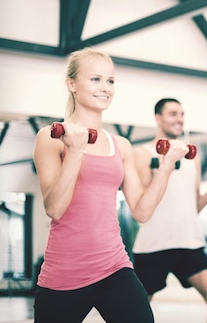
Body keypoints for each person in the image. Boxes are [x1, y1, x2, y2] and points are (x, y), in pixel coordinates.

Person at [32, 47, 190, 322]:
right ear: (71, 84)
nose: (105, 88)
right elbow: (54, 208)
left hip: (114, 266)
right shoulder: (50, 137)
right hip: (65, 272)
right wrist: (76, 151)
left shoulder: (122, 145)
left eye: (110, 80)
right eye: (95, 79)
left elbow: (142, 211)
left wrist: (166, 166)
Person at [132, 98, 207, 323]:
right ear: (158, 118)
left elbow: (195, 205)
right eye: (173, 114)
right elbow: (142, 203)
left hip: (188, 242)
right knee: (138, 310)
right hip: (154, 244)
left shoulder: (192, 157)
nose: (179, 119)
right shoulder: (142, 154)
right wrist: (163, 165)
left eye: (181, 114)